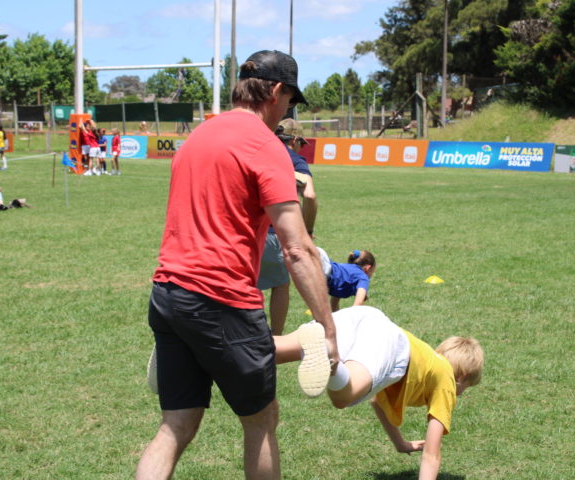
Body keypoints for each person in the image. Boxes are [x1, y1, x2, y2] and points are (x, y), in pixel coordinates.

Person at [136, 50, 339, 480]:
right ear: (277, 91)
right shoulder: (265, 146)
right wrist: (328, 328)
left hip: (168, 293)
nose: (287, 112)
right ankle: (306, 341)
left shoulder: (199, 137)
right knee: (262, 421)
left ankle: (267, 344)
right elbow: (297, 248)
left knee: (176, 425)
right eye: (290, 102)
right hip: (222, 299)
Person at [274, 305, 484, 480]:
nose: (459, 394)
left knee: (273, 351)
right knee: (343, 397)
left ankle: (259, 339)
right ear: (463, 376)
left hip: (365, 316)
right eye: (465, 389)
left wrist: (400, 444)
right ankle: (330, 357)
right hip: (389, 340)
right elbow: (432, 454)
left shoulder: (428, 362)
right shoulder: (447, 380)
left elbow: (377, 402)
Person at [257, 118, 318, 335]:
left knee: (247, 285)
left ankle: (247, 333)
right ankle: (275, 337)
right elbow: (309, 195)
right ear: (294, 140)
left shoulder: (260, 152)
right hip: (275, 232)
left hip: (248, 232)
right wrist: (307, 231)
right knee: (281, 284)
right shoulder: (295, 160)